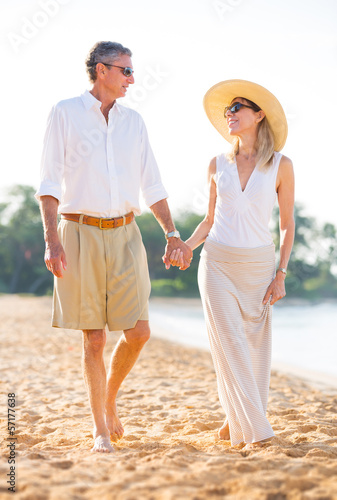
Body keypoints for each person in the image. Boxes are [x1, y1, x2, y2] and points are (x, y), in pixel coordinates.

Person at [35, 41, 192, 453]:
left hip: (126, 233)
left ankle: (108, 397)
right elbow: (49, 184)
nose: (132, 79)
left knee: (139, 332)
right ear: (101, 70)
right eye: (125, 71)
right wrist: (52, 241)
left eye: (132, 71)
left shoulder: (134, 122)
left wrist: (172, 233)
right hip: (79, 232)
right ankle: (100, 428)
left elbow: (152, 184)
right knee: (94, 339)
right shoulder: (65, 113)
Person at [169, 79, 295, 450]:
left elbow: (287, 226)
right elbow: (209, 221)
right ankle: (258, 430)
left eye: (238, 107)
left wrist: (281, 274)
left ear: (258, 115)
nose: (231, 114)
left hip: (258, 266)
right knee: (230, 343)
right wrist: (186, 246)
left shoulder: (280, 165)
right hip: (217, 263)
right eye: (228, 110)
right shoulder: (216, 164)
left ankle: (234, 418)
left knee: (255, 346)